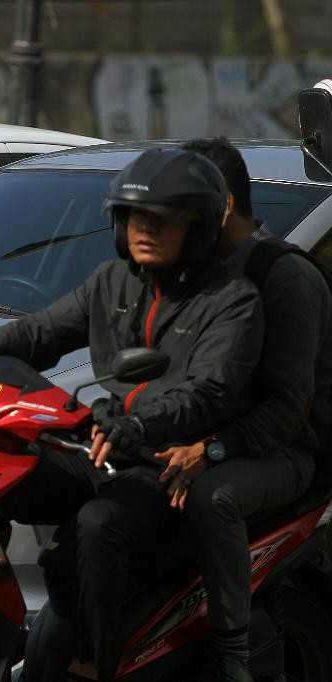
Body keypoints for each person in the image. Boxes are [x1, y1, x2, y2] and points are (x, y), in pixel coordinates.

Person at [0, 147, 264, 681]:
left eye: (163, 220)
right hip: (92, 447)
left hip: (167, 462)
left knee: (97, 528)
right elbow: (38, 333)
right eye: (136, 217)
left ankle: (96, 661)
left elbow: (208, 392)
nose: (146, 229)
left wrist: (139, 423)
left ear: (201, 228)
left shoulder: (232, 300)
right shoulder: (112, 280)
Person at [148, 137, 332, 682]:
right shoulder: (198, 277)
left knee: (215, 499)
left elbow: (287, 410)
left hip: (291, 454)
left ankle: (239, 657)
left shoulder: (286, 278)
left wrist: (210, 451)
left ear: (221, 205)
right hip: (217, 442)